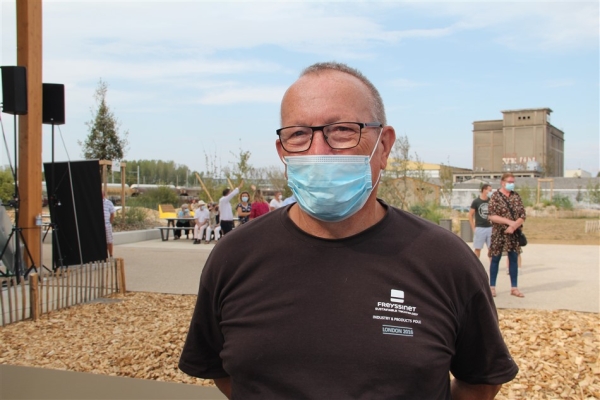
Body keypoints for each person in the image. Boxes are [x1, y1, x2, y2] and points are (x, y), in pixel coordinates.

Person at [180, 62, 517, 399]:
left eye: (341, 130)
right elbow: (222, 372)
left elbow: (481, 381)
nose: (318, 151)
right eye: (298, 134)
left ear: (383, 146)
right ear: (282, 152)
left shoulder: (445, 261)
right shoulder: (234, 257)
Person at [488, 172, 526, 298]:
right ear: (502, 182)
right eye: (509, 182)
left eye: (513, 182)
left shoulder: (516, 196)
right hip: (499, 233)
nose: (511, 184)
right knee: (495, 259)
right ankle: (492, 287)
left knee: (513, 259)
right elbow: (492, 216)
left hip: (513, 234)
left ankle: (514, 288)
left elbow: (522, 215)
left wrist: (514, 226)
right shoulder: (495, 197)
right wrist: (508, 222)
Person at [469, 183, 493, 259]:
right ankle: (476, 266)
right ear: (484, 190)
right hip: (480, 228)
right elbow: (470, 215)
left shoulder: (491, 201)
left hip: (490, 228)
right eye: (489, 190)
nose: (490, 192)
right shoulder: (476, 201)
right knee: (477, 248)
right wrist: (473, 228)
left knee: (491, 249)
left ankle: (492, 268)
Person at [102, 191, 115, 258]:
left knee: (109, 240)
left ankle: (111, 255)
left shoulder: (109, 203)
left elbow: (112, 213)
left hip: (107, 224)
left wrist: (110, 222)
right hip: (99, 225)